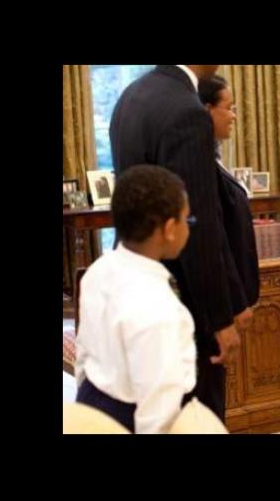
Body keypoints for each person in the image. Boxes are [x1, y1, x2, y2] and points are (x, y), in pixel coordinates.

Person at [110, 65, 239, 420]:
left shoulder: (132, 96)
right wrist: (219, 318)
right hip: (181, 298)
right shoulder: (186, 109)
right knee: (195, 414)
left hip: (135, 283)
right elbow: (198, 223)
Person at [74, 165, 196, 433]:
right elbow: (158, 407)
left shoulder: (98, 271)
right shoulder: (157, 306)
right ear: (169, 229)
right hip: (130, 418)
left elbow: (83, 356)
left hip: (91, 401)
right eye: (187, 220)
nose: (189, 227)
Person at [198, 74, 259, 337]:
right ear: (207, 109)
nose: (234, 116)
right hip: (221, 304)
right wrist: (234, 301)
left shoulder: (213, 158)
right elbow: (215, 239)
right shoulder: (200, 165)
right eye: (229, 107)